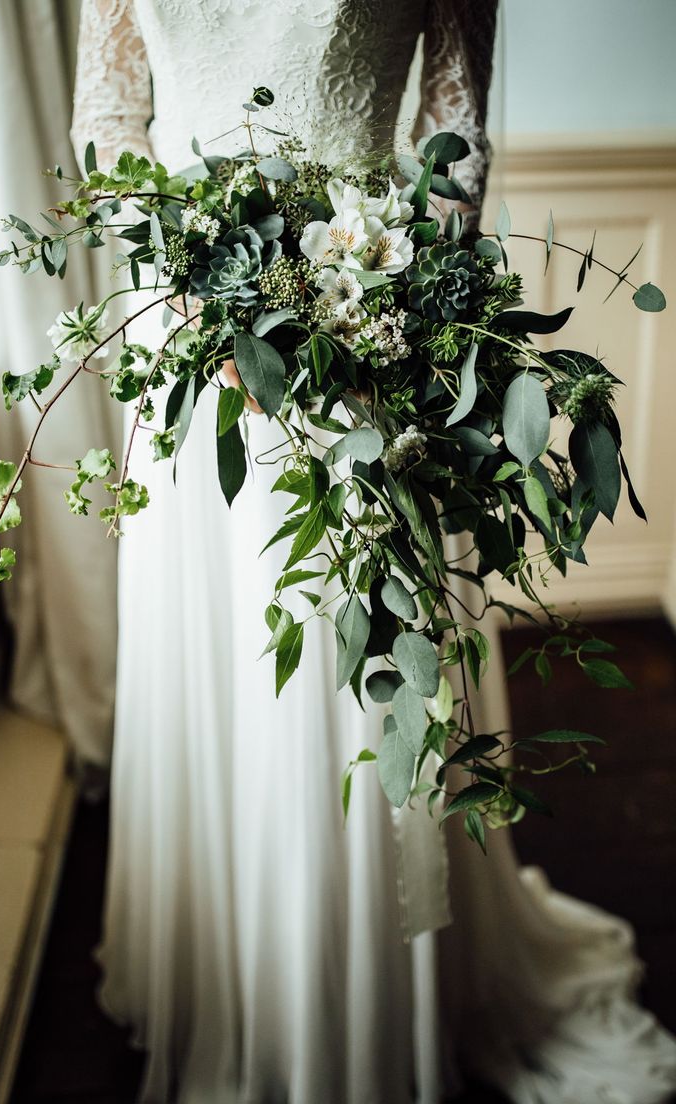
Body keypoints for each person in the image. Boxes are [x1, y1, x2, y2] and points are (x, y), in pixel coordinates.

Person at [70, 3, 676, 1101]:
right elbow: (110, 123)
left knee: (350, 681)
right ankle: (226, 978)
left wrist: (369, 305)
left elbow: (456, 136)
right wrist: (201, 287)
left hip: (363, 341)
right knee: (224, 660)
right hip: (193, 352)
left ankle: (348, 1019)